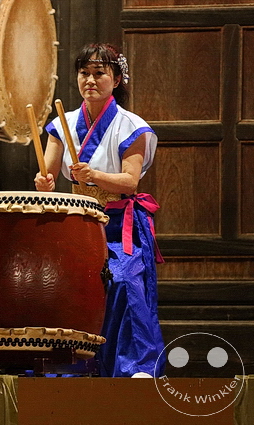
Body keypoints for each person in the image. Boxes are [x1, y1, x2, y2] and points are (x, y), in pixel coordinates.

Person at [33, 43, 165, 378]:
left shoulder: (132, 126)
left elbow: (130, 181)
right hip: (77, 222)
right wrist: (43, 182)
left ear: (117, 79)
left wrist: (95, 176)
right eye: (84, 73)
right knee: (64, 286)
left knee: (124, 283)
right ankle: (69, 368)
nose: (89, 80)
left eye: (99, 73)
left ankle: (137, 367)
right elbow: (46, 172)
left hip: (121, 224)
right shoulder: (62, 123)